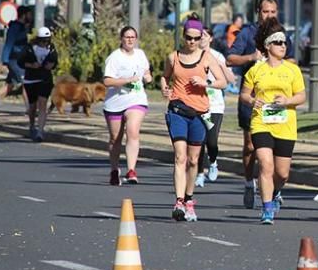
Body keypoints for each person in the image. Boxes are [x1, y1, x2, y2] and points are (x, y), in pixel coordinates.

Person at [227, 0, 294, 209]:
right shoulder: (248, 33)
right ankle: (249, 182)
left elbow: (292, 59)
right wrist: (250, 58)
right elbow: (230, 58)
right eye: (266, 12)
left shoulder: (282, 35)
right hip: (253, 98)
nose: (270, 16)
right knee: (250, 146)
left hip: (277, 103)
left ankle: (272, 189)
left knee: (273, 153)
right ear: (258, 12)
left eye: (273, 12)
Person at [160, 17, 228, 222]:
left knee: (193, 160)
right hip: (177, 111)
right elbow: (165, 76)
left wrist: (206, 82)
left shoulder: (207, 58)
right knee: (180, 157)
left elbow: (223, 81)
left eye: (196, 38)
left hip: (199, 113)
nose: (192, 42)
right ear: (183, 37)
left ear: (201, 38)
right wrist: (165, 88)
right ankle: (178, 201)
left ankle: (189, 199)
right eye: (188, 38)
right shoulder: (173, 57)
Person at [239, 19, 306, 224]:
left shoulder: (292, 70)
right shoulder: (255, 70)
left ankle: (276, 191)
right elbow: (243, 95)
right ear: (267, 46)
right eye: (278, 42)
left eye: (285, 42)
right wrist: (252, 100)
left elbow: (302, 96)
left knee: (282, 173)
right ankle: (267, 208)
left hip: (286, 125)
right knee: (266, 165)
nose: (283, 46)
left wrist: (287, 101)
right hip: (261, 123)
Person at [102, 26, 153, 186]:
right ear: (121, 39)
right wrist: (126, 81)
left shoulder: (140, 54)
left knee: (132, 131)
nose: (130, 40)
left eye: (133, 37)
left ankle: (131, 170)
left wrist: (147, 77)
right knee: (115, 139)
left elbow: (146, 71)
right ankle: (114, 169)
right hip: (115, 102)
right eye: (127, 37)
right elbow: (107, 81)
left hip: (136, 99)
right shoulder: (114, 57)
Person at [196, 26, 237, 188]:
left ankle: (213, 161)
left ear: (211, 38)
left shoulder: (217, 56)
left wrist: (221, 65)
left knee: (211, 141)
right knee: (198, 141)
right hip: (197, 104)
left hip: (215, 105)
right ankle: (199, 174)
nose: (201, 39)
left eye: (205, 35)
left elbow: (231, 80)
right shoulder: (192, 56)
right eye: (199, 36)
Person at [0, 6, 33, 118]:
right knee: (25, 84)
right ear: (24, 15)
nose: (31, 17)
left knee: (9, 85)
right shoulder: (15, 27)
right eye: (29, 14)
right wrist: (5, 61)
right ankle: (30, 110)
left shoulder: (22, 27)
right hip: (15, 61)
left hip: (20, 60)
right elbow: (9, 44)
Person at [17, 25, 58, 142]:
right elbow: (20, 62)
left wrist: (51, 65)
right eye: (42, 40)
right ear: (38, 39)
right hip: (31, 80)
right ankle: (31, 125)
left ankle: (40, 131)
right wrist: (31, 65)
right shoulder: (29, 48)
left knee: (43, 104)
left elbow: (55, 61)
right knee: (33, 106)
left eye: (47, 40)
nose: (45, 43)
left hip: (45, 79)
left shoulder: (52, 48)